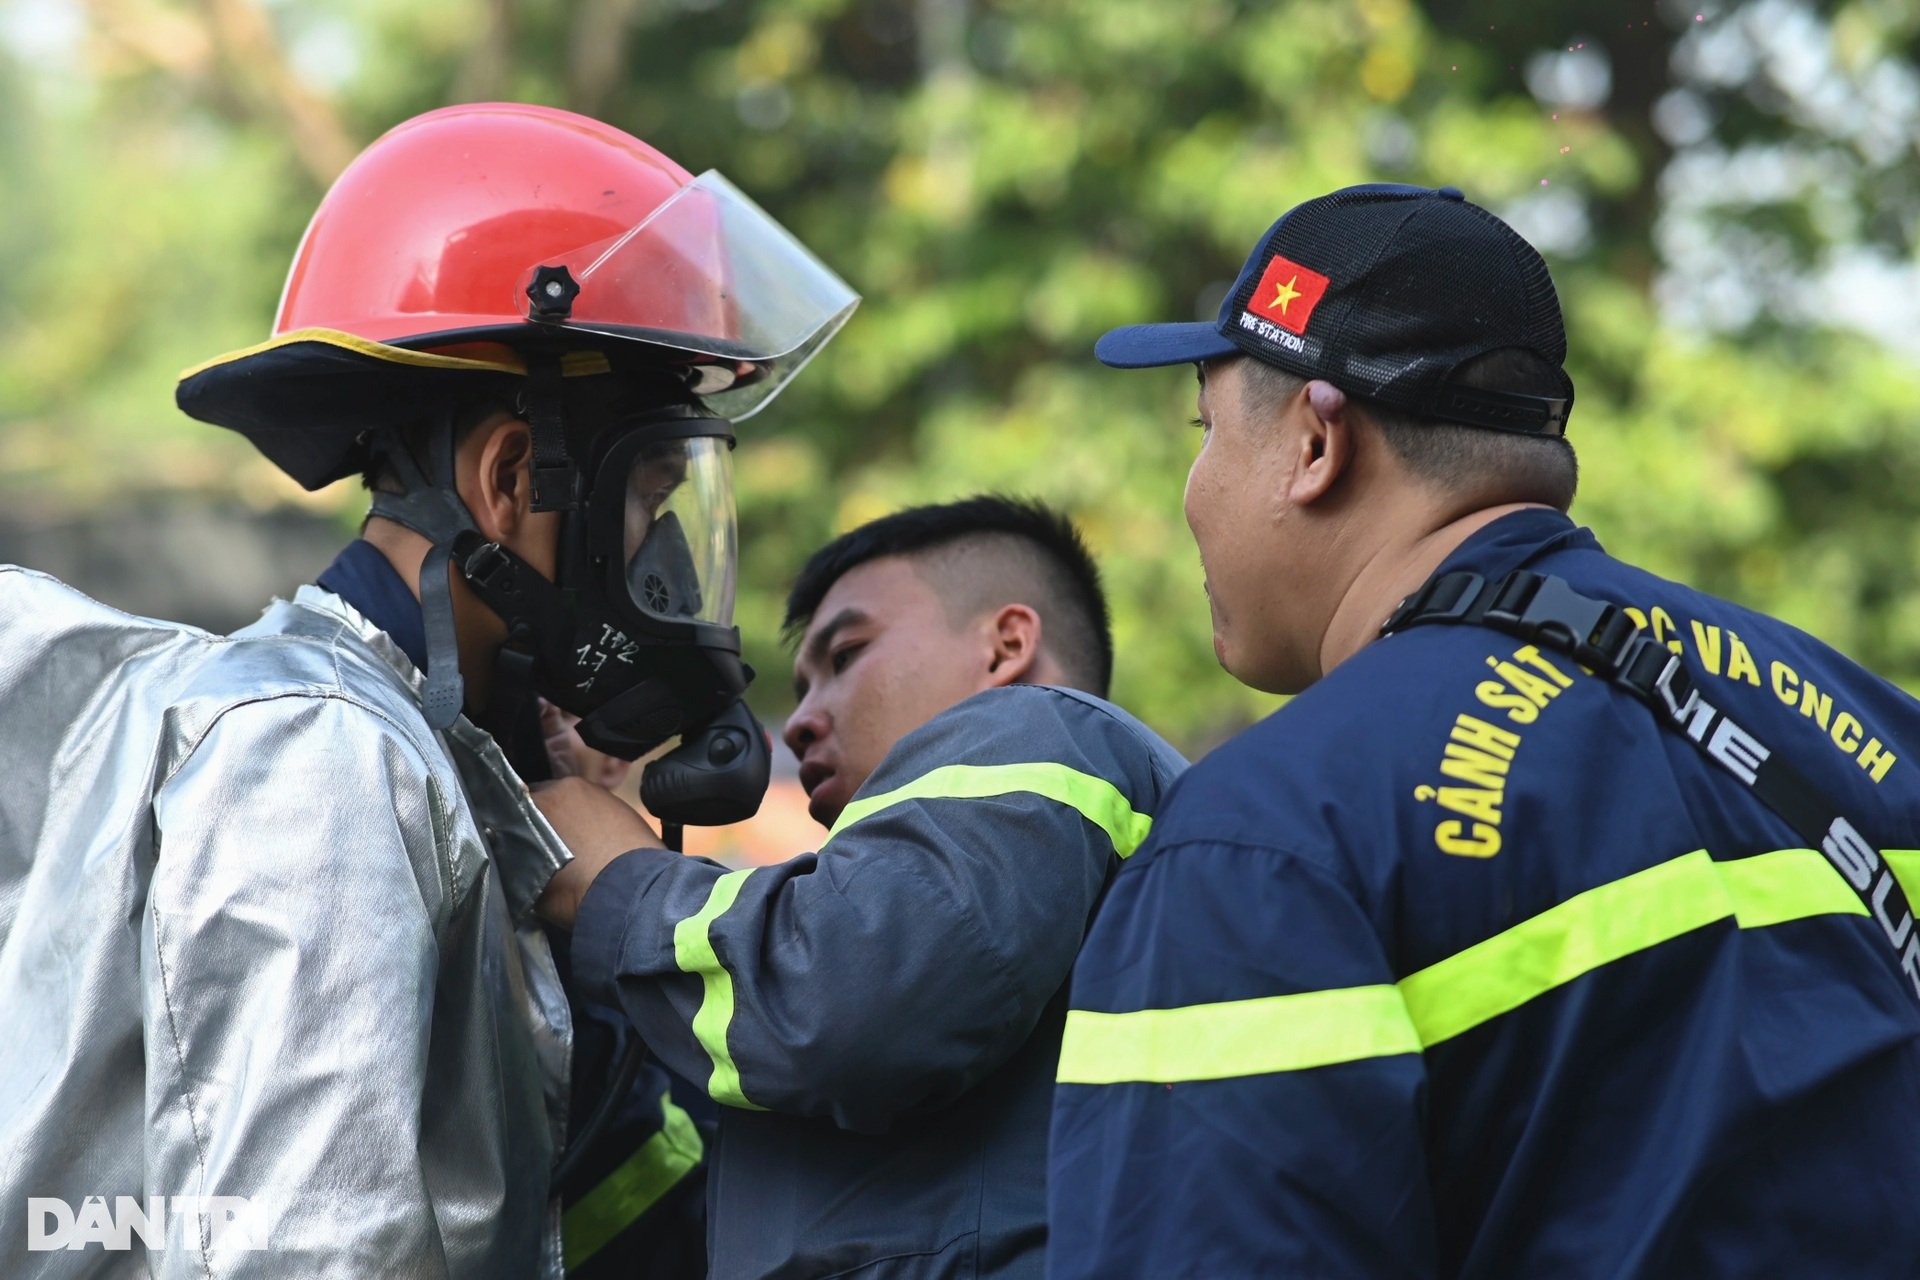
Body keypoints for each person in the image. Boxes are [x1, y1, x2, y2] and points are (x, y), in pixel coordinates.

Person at [0, 102, 854, 1277]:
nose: (662, 556)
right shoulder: (324, 755)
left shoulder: (413, 743)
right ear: (512, 479)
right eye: (652, 497)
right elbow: (315, 1251)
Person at [1048, 183, 1920, 1277]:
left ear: (1317, 442)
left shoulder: (1268, 842)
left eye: (1206, 427)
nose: (1193, 484)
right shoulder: (1872, 725)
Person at [534, 495, 1187, 1278]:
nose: (800, 722)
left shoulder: (1040, 729)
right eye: (801, 686)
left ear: (1008, 644)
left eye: (845, 657)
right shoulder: (995, 875)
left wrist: (618, 882)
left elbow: (842, 997)